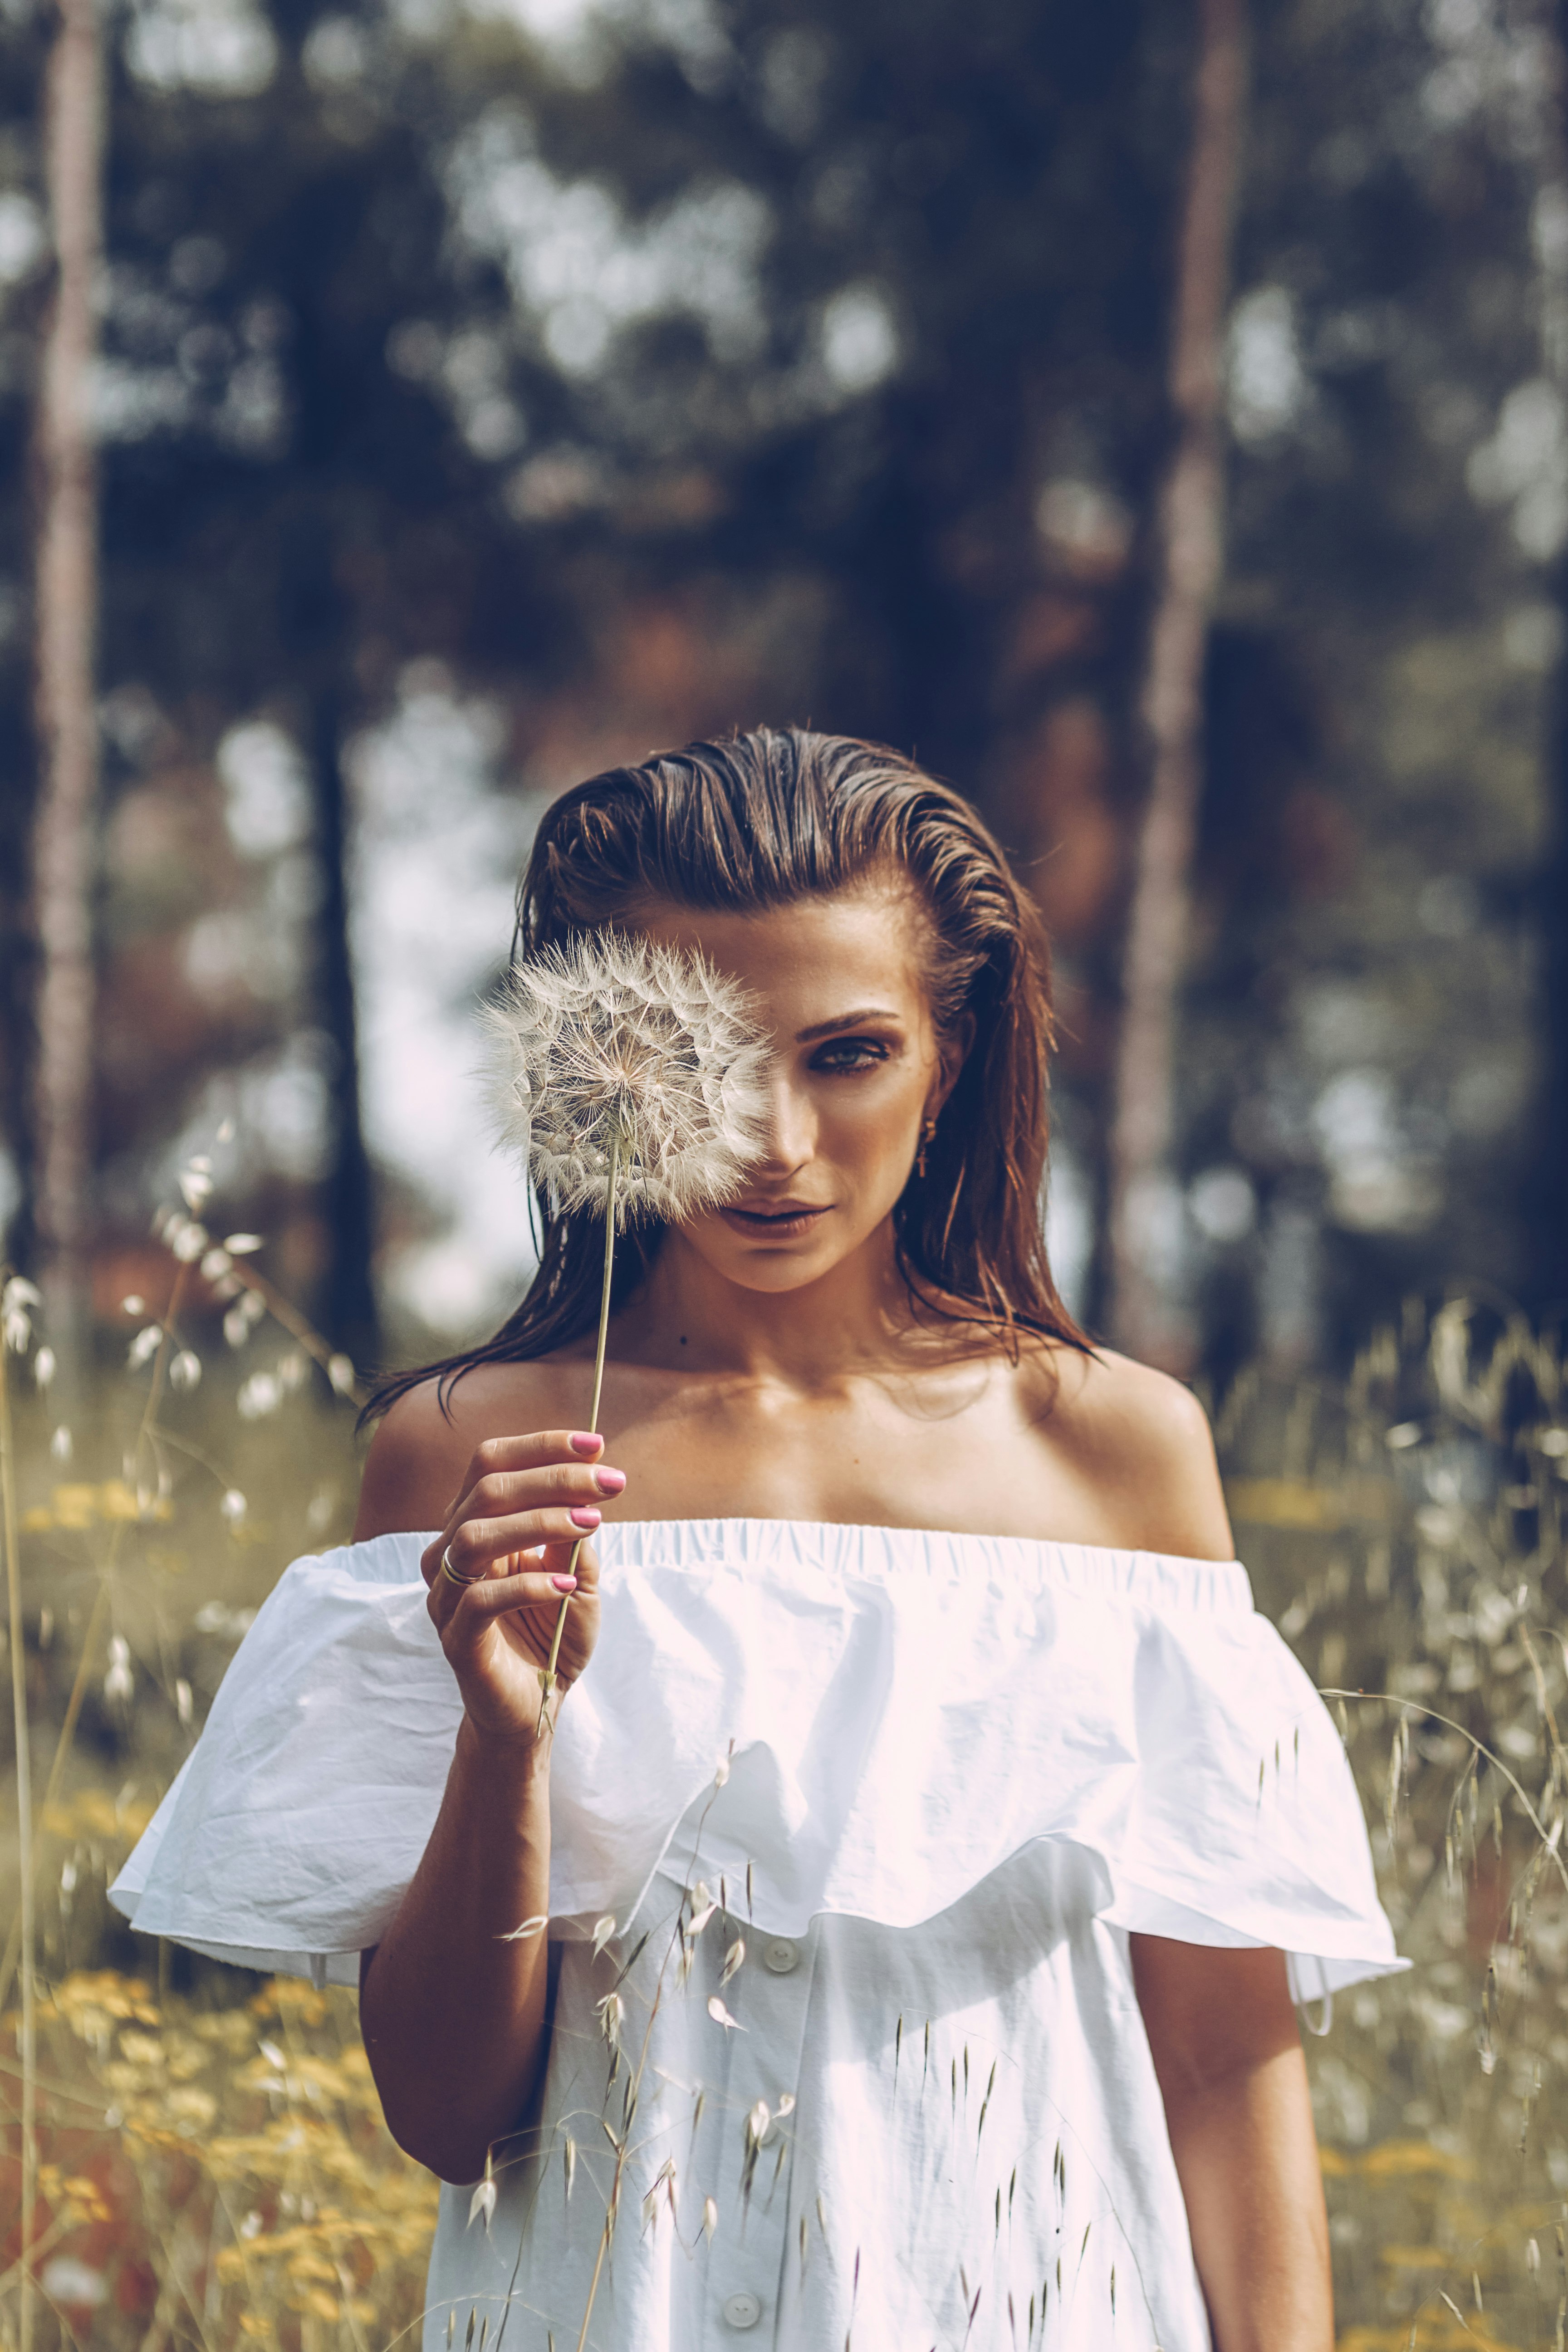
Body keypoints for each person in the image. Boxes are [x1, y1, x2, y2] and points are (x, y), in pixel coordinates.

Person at [113, 729, 1400, 2352]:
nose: (772, 1140)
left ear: (950, 1064)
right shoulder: (472, 1459)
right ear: (600, 1063)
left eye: (847, 1053)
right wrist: (504, 1744)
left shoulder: (1116, 1455)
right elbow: (445, 2119)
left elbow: (1220, 2058)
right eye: (698, 1055)